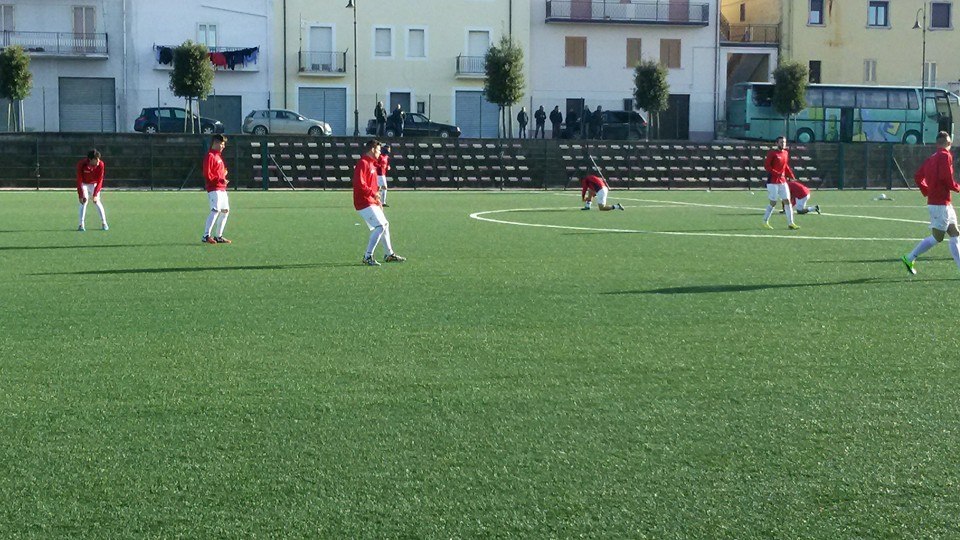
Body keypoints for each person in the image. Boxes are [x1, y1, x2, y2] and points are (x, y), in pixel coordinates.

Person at [901, 131, 960, 275]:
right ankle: (910, 257)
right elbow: (946, 178)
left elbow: (918, 176)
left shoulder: (931, 158)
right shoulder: (946, 155)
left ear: (936, 143)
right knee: (937, 238)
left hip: (942, 203)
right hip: (940, 205)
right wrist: (957, 187)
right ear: (949, 143)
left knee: (955, 233)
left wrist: (927, 191)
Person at [353, 139, 405, 266]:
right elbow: (359, 184)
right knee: (380, 226)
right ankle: (367, 256)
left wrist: (378, 201)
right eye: (378, 150)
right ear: (372, 150)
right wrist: (373, 194)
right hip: (363, 202)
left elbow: (373, 185)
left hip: (371, 201)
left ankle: (389, 254)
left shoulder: (372, 164)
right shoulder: (363, 163)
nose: (379, 153)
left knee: (385, 224)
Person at [762, 136, 800, 230]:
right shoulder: (772, 153)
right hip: (772, 182)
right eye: (781, 142)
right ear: (776, 143)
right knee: (773, 202)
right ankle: (765, 221)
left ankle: (791, 223)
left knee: (787, 201)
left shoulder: (786, 153)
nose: (783, 144)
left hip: (782, 181)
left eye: (784, 142)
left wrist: (791, 176)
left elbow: (785, 166)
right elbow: (767, 166)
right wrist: (776, 173)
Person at [202, 134, 231, 244]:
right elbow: (207, 174)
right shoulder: (210, 156)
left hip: (222, 188)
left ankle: (219, 236)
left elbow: (219, 173)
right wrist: (220, 179)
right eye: (222, 144)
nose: (223, 146)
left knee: (225, 211)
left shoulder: (218, 156)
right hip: (214, 189)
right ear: (215, 143)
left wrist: (223, 176)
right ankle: (206, 235)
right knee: (215, 210)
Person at [76, 149, 108, 231]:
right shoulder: (81, 164)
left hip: (94, 184)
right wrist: (80, 195)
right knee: (84, 201)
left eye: (99, 159)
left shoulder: (101, 164)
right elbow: (79, 180)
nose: (98, 161)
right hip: (84, 184)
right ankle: (81, 224)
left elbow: (100, 180)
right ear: (90, 159)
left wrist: (95, 195)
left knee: (97, 202)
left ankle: (104, 223)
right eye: (96, 159)